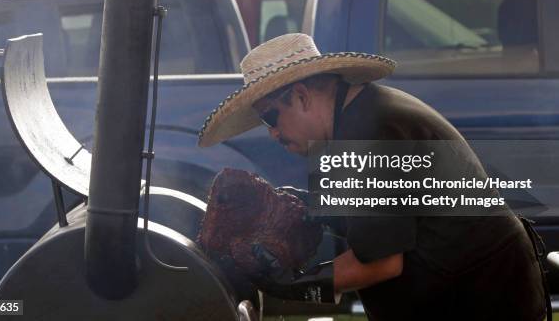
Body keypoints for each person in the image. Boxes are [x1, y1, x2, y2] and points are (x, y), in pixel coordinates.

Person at [197, 33, 548, 321]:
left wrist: (291, 285)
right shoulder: (353, 125)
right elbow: (377, 222)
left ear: (301, 97)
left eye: (270, 119)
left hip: (482, 298)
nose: (272, 133)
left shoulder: (371, 131)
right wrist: (307, 209)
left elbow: (380, 262)